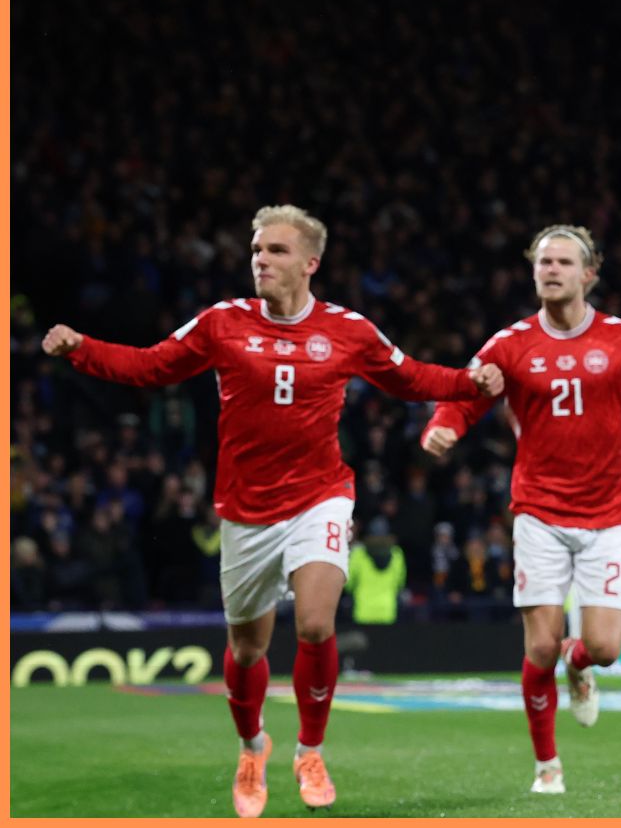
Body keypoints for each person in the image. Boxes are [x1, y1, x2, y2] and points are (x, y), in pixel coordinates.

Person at [41, 204, 502, 818]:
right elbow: (150, 366)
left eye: (276, 251)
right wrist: (81, 349)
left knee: (315, 624)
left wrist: (473, 383)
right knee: (248, 651)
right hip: (246, 510)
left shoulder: (349, 330)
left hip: (320, 495)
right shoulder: (223, 323)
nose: (261, 259)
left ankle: (310, 751)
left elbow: (412, 378)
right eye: (257, 250)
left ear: (310, 262)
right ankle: (252, 746)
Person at [420, 224, 621, 795]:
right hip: (539, 512)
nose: (550, 270)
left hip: (609, 513)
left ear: (589, 273)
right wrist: (442, 427)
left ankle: (580, 668)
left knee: (603, 648)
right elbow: (467, 392)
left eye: (563, 262)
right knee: (538, 646)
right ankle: (547, 765)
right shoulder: (510, 344)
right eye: (543, 262)